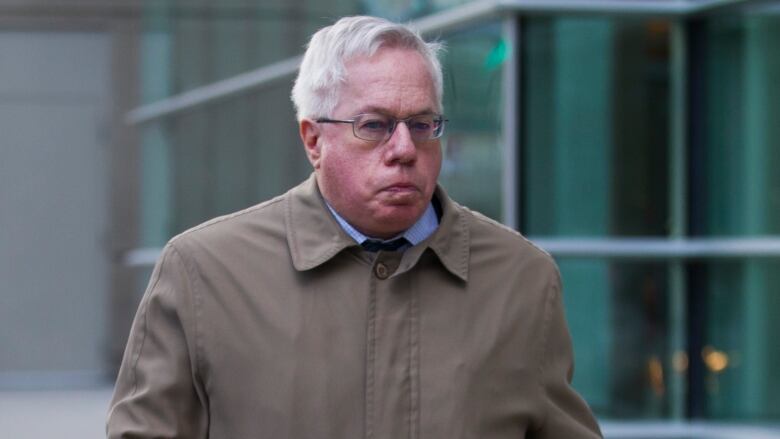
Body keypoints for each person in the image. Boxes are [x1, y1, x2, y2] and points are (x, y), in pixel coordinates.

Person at [107, 15, 602, 439]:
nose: (405, 148)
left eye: (424, 124)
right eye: (374, 125)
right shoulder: (203, 273)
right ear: (313, 139)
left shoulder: (522, 278)